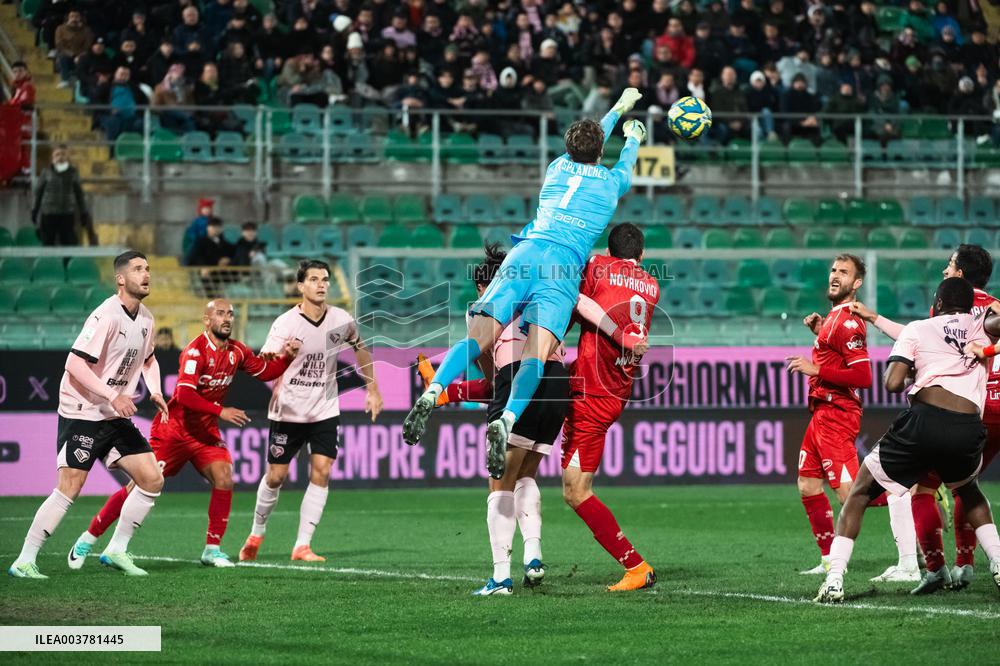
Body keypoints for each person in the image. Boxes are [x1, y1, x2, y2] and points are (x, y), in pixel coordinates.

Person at [401, 89, 646, 480]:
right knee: (537, 353)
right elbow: (625, 164)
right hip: (562, 267)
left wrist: (616, 109)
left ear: (569, 149)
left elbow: (590, 141)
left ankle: (434, 391)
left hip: (525, 254)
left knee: (478, 337)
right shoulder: (610, 185)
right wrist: (633, 135)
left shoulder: (557, 168)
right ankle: (508, 418)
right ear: (600, 152)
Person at [70, 300, 300, 569]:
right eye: (220, 314)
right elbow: (185, 395)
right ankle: (88, 538)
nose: (227, 318)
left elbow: (265, 371)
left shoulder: (237, 350)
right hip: (174, 432)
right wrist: (221, 411)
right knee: (139, 486)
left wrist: (287, 357)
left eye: (230, 314)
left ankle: (212, 550)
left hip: (204, 433)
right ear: (207, 320)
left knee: (224, 477)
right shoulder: (194, 351)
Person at [815, 277, 1000, 603]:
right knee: (969, 493)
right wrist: (988, 347)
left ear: (938, 303)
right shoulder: (981, 325)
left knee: (860, 491)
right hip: (968, 426)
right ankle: (998, 563)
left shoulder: (918, 328)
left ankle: (834, 580)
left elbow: (892, 383)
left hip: (924, 420)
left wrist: (914, 370)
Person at [416, 244, 569, 595]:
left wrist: (450, 389)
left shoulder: (482, 310)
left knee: (500, 484)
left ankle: (501, 578)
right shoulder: (544, 294)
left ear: (483, 286)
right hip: (557, 383)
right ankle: (533, 556)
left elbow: (493, 376)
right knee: (526, 473)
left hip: (516, 379)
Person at [8, 251, 167, 578]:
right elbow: (74, 363)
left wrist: (155, 391)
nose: (146, 274)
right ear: (120, 279)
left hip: (113, 413)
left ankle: (116, 550)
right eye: (138, 269)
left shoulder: (147, 319)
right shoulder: (106, 315)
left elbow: (149, 360)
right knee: (70, 485)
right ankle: (24, 560)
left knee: (152, 479)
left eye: (148, 268)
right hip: (83, 410)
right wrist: (113, 395)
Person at [239, 260, 383, 562]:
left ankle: (302, 545)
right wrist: (282, 353)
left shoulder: (341, 319)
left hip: (324, 408)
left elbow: (360, 347)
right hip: (288, 410)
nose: (321, 284)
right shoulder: (285, 323)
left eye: (325, 279)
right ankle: (256, 532)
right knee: (276, 476)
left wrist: (372, 389)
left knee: (322, 470)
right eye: (314, 279)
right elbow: (266, 360)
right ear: (300, 286)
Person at [785, 255, 909, 577]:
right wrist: (819, 332)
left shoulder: (850, 322)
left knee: (850, 495)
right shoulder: (832, 317)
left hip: (837, 415)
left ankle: (907, 490)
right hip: (820, 412)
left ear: (857, 283)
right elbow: (837, 356)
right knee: (808, 485)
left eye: (844, 272)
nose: (835, 275)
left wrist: (816, 369)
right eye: (833, 270)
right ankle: (829, 559)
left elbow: (863, 376)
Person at [561, 223, 658, 592]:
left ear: (608, 251)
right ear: (641, 255)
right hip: (615, 389)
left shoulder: (598, 267)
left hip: (593, 393)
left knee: (576, 490)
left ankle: (636, 566)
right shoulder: (652, 285)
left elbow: (576, 302)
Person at [31, 146, 92, 247]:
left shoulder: (73, 173)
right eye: (57, 154)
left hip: (67, 214)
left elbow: (79, 194)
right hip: (49, 213)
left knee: (68, 243)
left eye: (63, 154)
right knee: (48, 243)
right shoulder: (46, 172)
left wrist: (83, 212)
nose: (60, 157)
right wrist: (34, 210)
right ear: (53, 158)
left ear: (67, 157)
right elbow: (38, 193)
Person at [54, 10, 95, 87]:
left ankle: (81, 82)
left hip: (81, 56)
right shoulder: (60, 29)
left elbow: (87, 46)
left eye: (76, 16)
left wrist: (79, 56)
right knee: (62, 56)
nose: (74, 19)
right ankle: (65, 80)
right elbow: (60, 46)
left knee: (86, 59)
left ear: (81, 18)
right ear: (68, 18)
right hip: (66, 56)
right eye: (72, 16)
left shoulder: (87, 30)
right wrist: (73, 55)